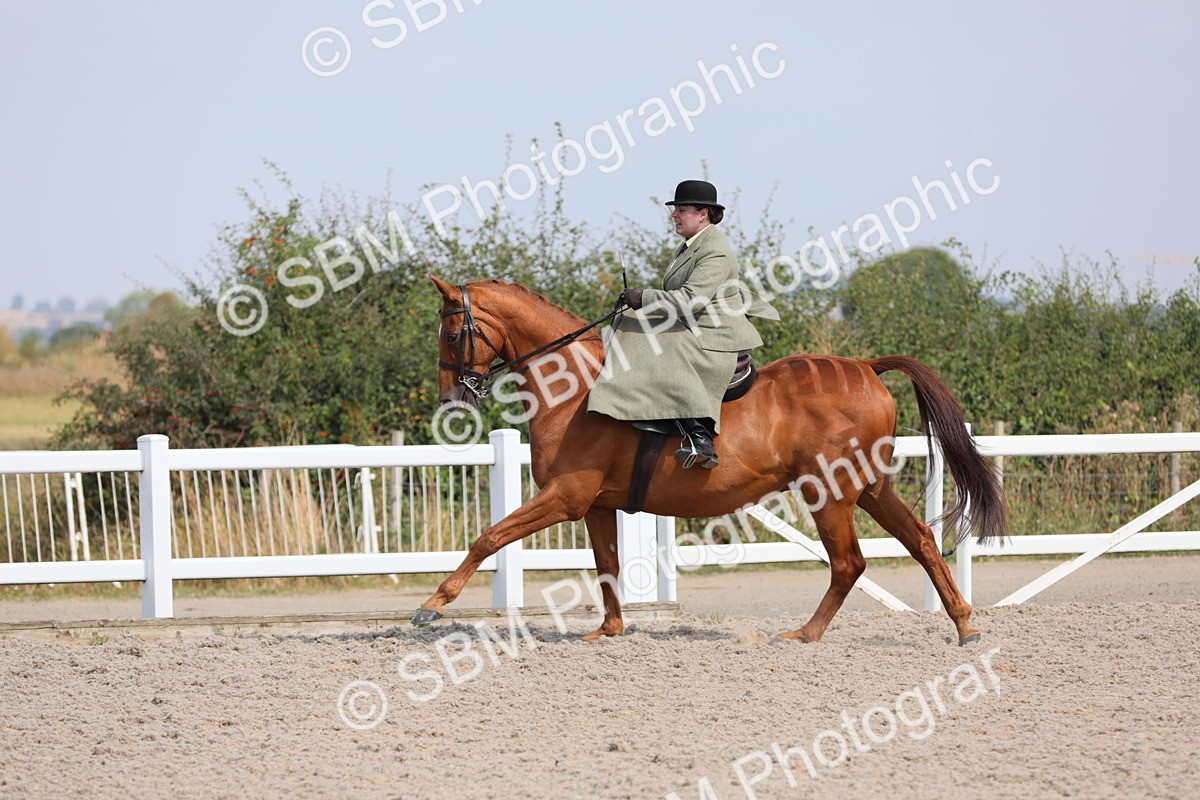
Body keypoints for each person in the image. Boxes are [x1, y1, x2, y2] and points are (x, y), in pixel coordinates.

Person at [587, 180, 779, 468]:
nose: (675, 214)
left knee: (661, 345)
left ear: (704, 214)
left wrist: (646, 297)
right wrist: (637, 303)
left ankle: (700, 436)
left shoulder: (715, 250)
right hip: (696, 323)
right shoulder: (691, 246)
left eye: (682, 209)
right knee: (632, 324)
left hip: (714, 334)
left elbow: (691, 301)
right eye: (675, 209)